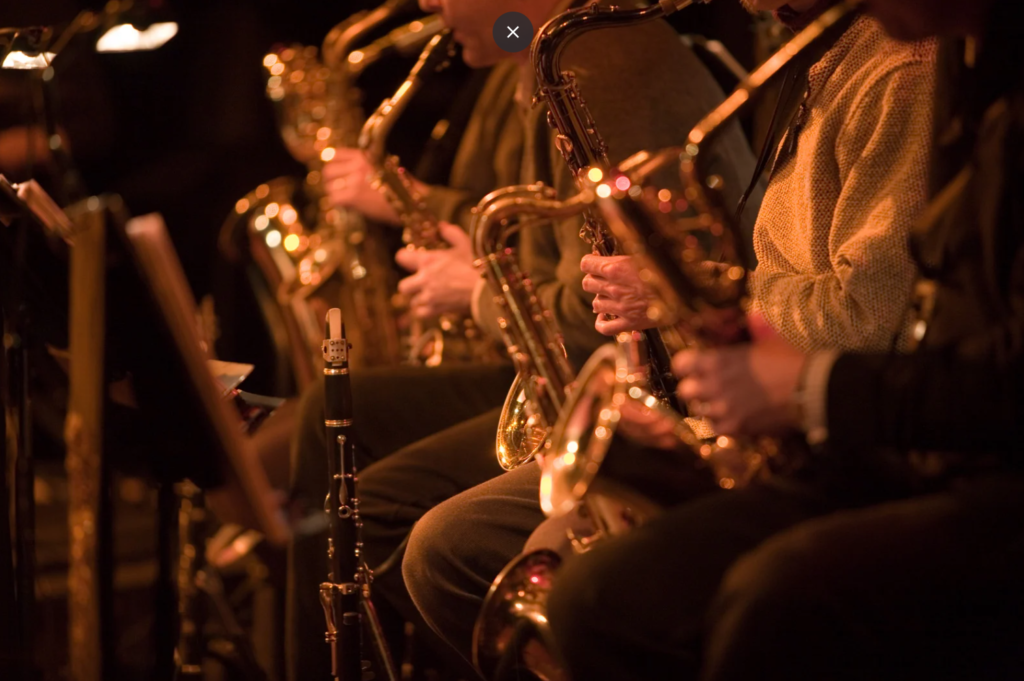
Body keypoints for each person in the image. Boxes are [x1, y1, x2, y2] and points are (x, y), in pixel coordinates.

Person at [401, 0, 940, 679]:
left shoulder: (897, 72)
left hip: (816, 430)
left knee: (489, 551)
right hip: (729, 395)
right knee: (452, 539)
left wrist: (691, 295)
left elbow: (871, 316)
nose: (426, 5)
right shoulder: (827, 56)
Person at [286, 0, 760, 679]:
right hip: (573, 366)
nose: (427, 6)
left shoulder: (596, 62)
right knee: (345, 438)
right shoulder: (527, 49)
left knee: (396, 509)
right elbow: (526, 226)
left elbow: (590, 303)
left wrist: (473, 288)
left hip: (640, 381)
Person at [686, 0, 1024, 678]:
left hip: (962, 456)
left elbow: (872, 319)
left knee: (765, 601)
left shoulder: (906, 68)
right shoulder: (927, 59)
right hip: (916, 430)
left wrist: (804, 382)